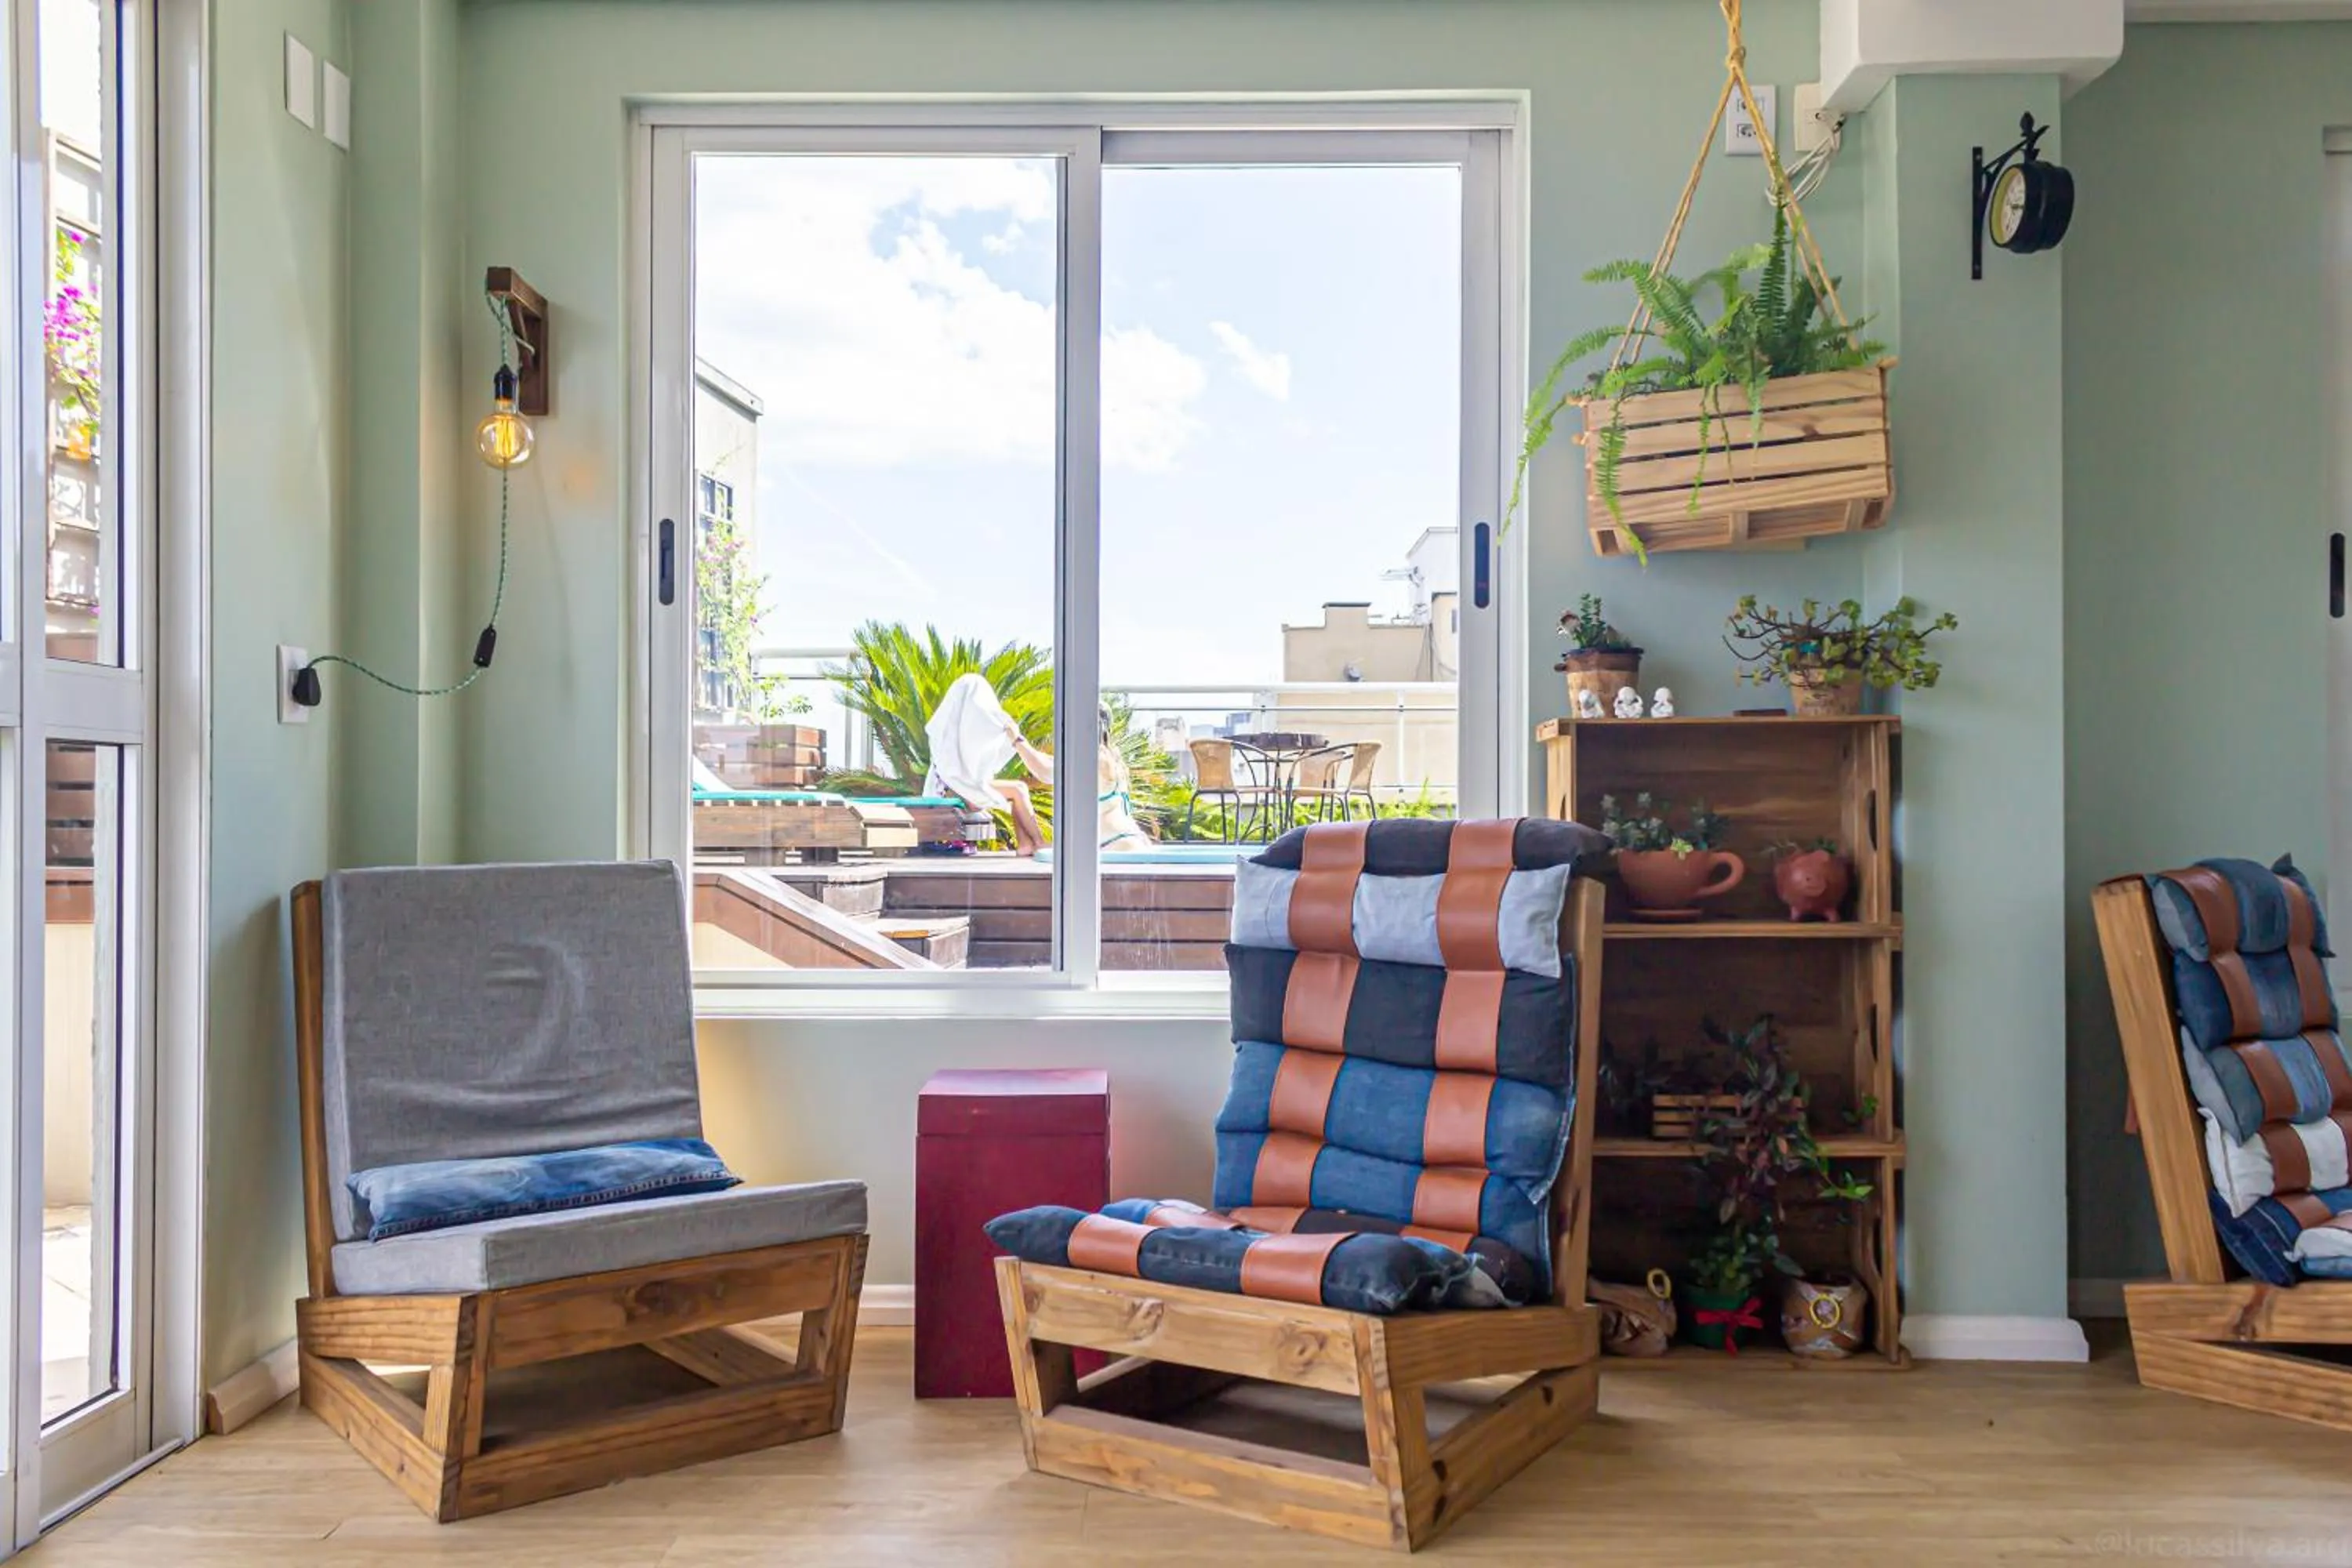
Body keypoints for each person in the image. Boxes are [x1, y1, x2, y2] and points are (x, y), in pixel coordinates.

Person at [998, 706, 1154, 857]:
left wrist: (1017, 739)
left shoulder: (1095, 758)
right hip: (1121, 841)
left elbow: (1045, 771)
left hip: (1119, 844)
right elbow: (1049, 762)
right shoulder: (1107, 756)